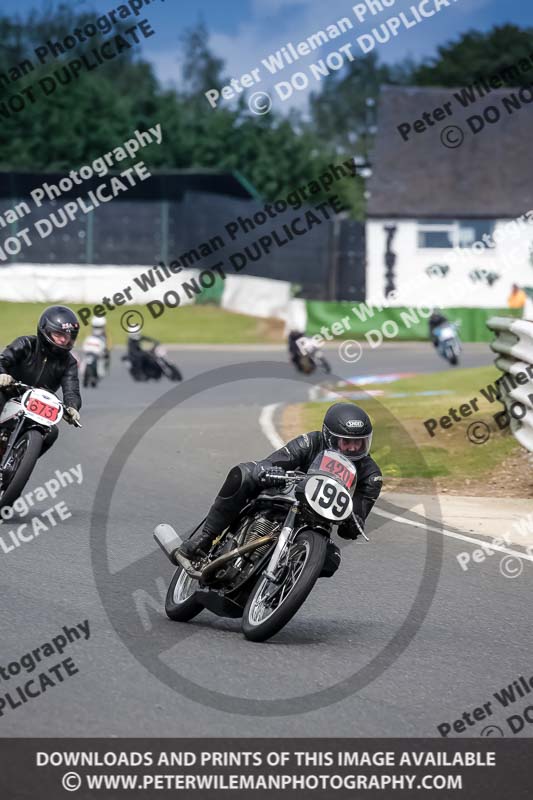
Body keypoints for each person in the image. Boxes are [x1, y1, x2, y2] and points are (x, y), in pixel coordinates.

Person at [178, 402, 382, 565]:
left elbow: (353, 525)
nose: (354, 448)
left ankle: (287, 582)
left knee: (330, 560)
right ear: (330, 437)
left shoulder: (370, 475)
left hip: (317, 523)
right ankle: (205, 538)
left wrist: (354, 522)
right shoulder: (310, 442)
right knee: (244, 474)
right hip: (286, 496)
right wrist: (270, 469)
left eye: (360, 442)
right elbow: (272, 461)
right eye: (347, 442)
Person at [0, 306, 82, 455]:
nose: (64, 339)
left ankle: (17, 464)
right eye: (59, 334)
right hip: (8, 392)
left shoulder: (69, 362)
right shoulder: (26, 343)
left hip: (37, 405)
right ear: (45, 331)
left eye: (68, 336)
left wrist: (72, 407)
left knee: (52, 432)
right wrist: (2, 375)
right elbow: (3, 360)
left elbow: (72, 389)